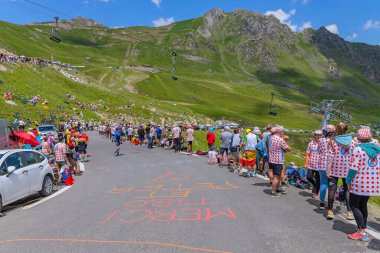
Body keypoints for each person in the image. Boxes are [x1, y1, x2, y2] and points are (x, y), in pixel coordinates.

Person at [346, 128, 380, 242]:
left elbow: (353, 168)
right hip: (372, 183)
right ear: (370, 137)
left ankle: (362, 232)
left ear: (359, 138)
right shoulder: (378, 149)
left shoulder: (358, 150)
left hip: (359, 182)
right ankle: (362, 228)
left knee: (354, 205)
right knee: (363, 205)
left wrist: (348, 181)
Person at [325, 122, 355, 220]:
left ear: (337, 129)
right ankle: (349, 212)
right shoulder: (352, 142)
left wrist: (328, 171)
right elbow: (354, 157)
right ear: (347, 130)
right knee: (347, 190)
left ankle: (330, 211)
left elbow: (329, 158)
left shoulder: (332, 141)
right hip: (348, 170)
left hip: (334, 169)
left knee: (332, 189)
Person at [268, 126, 291, 197]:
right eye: (282, 132)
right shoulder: (280, 140)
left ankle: (277, 189)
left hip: (271, 159)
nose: (283, 133)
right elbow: (288, 149)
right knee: (277, 177)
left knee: (275, 174)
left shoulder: (271, 138)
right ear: (279, 132)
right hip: (278, 160)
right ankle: (273, 192)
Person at [317, 124, 336, 210]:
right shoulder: (334, 141)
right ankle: (330, 203)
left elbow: (318, 150)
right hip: (331, 165)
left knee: (323, 183)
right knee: (331, 185)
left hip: (321, 164)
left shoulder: (321, 140)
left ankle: (322, 202)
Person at [305, 130, 322, 199]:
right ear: (314, 135)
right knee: (308, 177)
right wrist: (306, 163)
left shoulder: (323, 144)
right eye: (317, 135)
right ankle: (315, 185)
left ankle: (316, 193)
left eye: (320, 135)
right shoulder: (310, 143)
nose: (318, 136)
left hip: (319, 165)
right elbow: (308, 154)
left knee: (318, 179)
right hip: (311, 164)